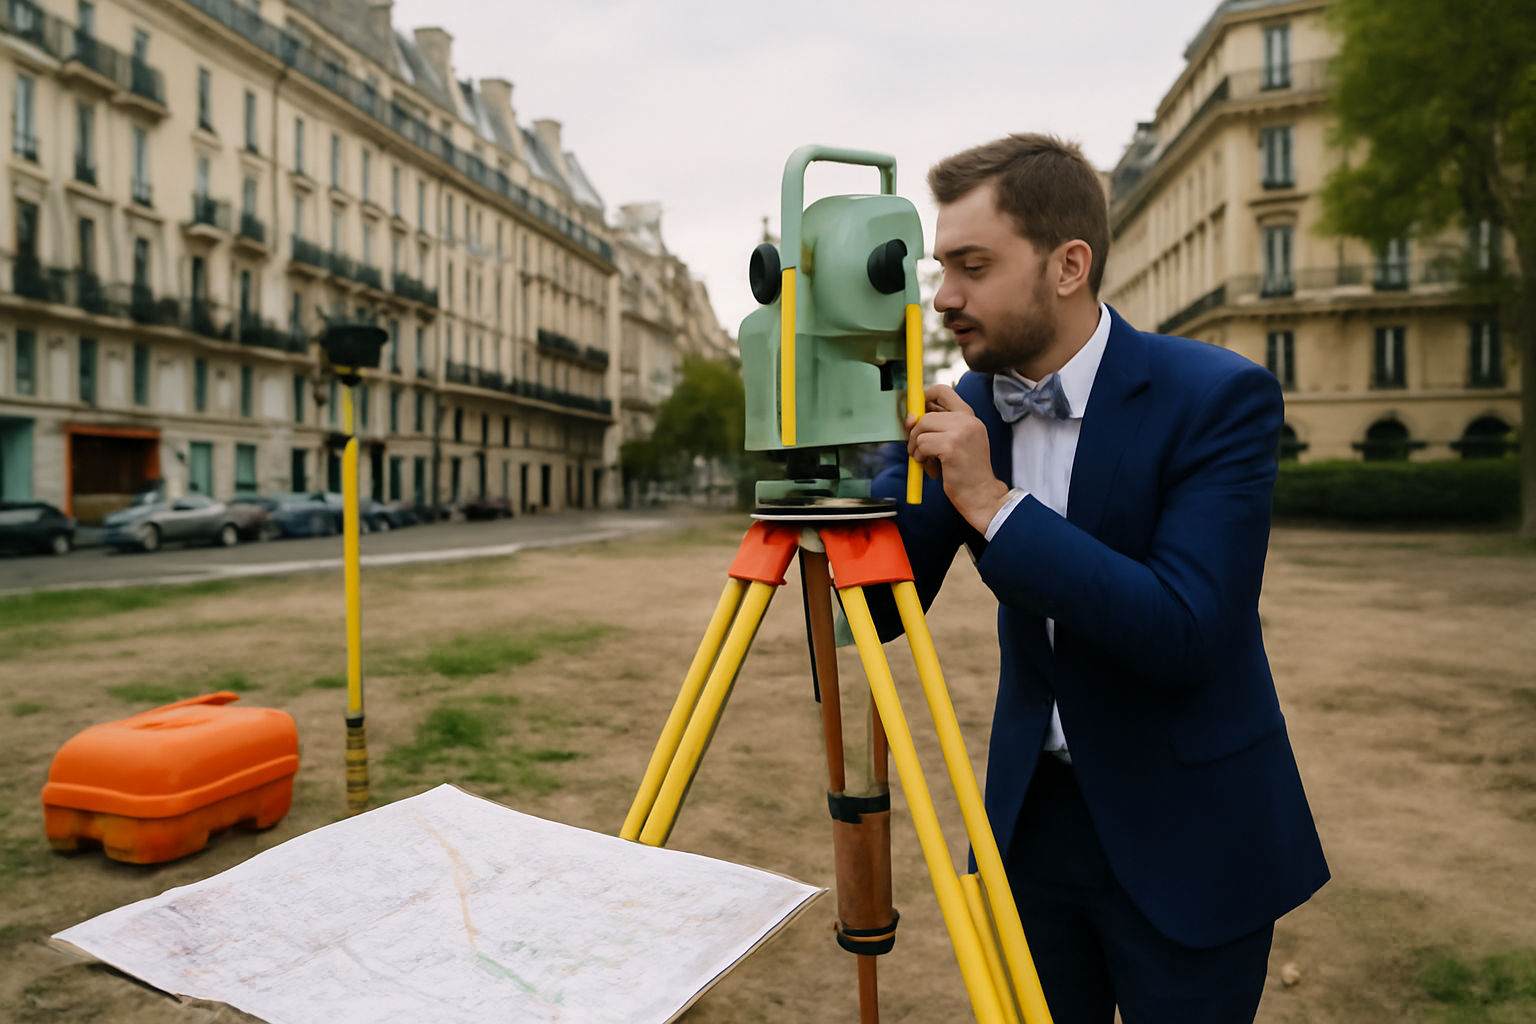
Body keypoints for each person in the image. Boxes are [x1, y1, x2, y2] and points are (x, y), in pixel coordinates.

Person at [867, 134, 1329, 1023]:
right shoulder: (965, 407)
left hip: (1190, 828)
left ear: (1068, 265)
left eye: (972, 266)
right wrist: (843, 440)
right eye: (939, 269)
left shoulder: (1219, 397)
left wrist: (994, 505)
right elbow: (881, 607)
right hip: (1031, 828)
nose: (944, 297)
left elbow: (1186, 628)